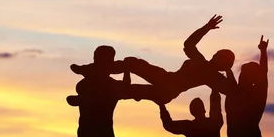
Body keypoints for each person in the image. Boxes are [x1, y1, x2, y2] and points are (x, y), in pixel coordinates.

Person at [67, 15, 236, 105]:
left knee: (130, 89)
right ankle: (90, 71)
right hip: (166, 79)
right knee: (132, 64)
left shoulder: (213, 77)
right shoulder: (202, 62)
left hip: (167, 90)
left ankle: (85, 99)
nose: (214, 56)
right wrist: (206, 28)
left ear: (222, 64)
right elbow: (188, 45)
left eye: (219, 57)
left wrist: (230, 70)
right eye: (216, 54)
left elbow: (233, 91)